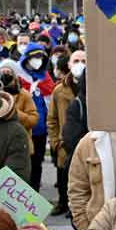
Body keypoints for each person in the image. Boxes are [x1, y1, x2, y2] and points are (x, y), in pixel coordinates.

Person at [48, 49, 85, 215]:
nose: (80, 65)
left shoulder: (96, 88)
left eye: (83, 61)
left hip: (86, 141)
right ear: (69, 64)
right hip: (65, 143)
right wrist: (55, 141)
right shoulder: (59, 90)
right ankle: (63, 203)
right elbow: (52, 118)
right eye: (76, 61)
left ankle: (76, 208)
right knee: (63, 177)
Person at [19, 44, 54, 190]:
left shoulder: (45, 77)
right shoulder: (19, 77)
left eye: (40, 57)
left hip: (40, 130)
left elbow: (51, 101)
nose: (37, 60)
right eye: (34, 57)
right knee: (22, 163)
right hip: (22, 129)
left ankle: (34, 192)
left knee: (37, 163)